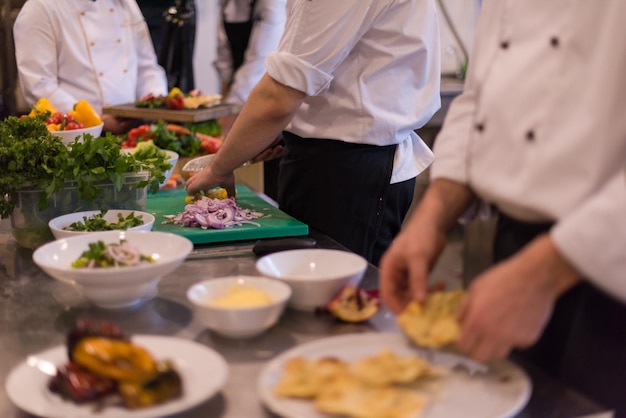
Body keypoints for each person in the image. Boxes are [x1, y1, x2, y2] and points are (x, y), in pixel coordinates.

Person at [379, 0, 626, 414]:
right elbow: (481, 95)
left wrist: (542, 275)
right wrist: (433, 214)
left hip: (608, 268)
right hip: (514, 250)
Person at [185, 0, 441, 267]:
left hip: (345, 173)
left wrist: (219, 168)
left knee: (331, 297)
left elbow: (278, 97)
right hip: (346, 163)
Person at [13, 0, 168, 134]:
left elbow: (146, 68)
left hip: (133, 132)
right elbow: (39, 85)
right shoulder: (40, 8)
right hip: (77, 138)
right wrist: (95, 121)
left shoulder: (126, 3)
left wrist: (155, 104)